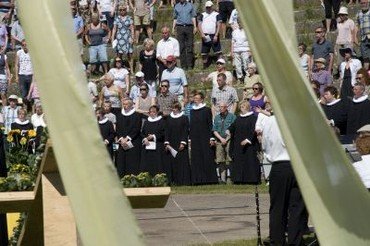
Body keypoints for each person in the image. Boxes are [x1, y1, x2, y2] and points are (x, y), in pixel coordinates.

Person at [255, 107, 307, 246]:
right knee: (297, 208)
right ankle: (295, 241)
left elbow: (264, 144)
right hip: (297, 166)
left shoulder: (270, 121)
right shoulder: (298, 119)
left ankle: (277, 241)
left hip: (279, 165)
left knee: (278, 208)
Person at [190, 91, 218, 184]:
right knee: (196, 158)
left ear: (202, 99)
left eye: (197, 99)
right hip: (195, 138)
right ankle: (198, 180)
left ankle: (209, 179)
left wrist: (212, 138)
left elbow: (210, 124)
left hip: (205, 137)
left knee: (207, 157)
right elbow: (192, 126)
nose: (196, 100)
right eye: (195, 98)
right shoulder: (192, 111)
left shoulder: (206, 110)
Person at [229, 101, 260, 184]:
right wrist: (228, 130)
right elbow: (233, 126)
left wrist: (247, 140)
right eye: (241, 106)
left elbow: (254, 130)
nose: (241, 108)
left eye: (243, 106)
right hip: (239, 143)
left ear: (248, 107)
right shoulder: (238, 118)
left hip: (250, 144)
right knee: (239, 161)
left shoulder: (253, 118)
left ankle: (251, 179)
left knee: (250, 161)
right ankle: (239, 179)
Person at [164, 102, 191, 185]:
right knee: (171, 162)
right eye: (173, 108)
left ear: (179, 108)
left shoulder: (184, 118)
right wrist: (167, 143)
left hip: (180, 143)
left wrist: (183, 142)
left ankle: (183, 181)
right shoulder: (168, 118)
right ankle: (173, 180)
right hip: (171, 142)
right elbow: (167, 131)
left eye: (175, 108)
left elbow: (185, 131)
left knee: (181, 161)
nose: (174, 109)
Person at [116, 98, 142, 177]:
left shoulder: (137, 115)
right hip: (122, 142)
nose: (125, 106)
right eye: (124, 104)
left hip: (133, 141)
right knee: (121, 160)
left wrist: (127, 138)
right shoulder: (119, 115)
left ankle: (133, 178)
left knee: (132, 161)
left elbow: (137, 128)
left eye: (126, 104)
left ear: (131, 105)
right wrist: (121, 138)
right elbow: (118, 128)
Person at [212, 101, 236, 183]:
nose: (220, 108)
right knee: (220, 160)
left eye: (222, 107)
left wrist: (226, 140)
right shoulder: (217, 117)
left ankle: (231, 177)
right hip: (219, 140)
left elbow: (233, 130)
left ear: (226, 107)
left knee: (230, 159)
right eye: (219, 107)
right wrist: (221, 139)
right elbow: (214, 130)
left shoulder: (232, 117)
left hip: (229, 140)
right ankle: (222, 179)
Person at [140, 105, 165, 176]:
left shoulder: (161, 121)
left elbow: (163, 133)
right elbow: (142, 133)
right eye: (150, 112)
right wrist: (145, 138)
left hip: (158, 146)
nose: (151, 113)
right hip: (147, 146)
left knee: (157, 163)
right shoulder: (146, 122)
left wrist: (153, 136)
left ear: (157, 112)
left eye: (153, 112)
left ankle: (158, 178)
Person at [172, 0, 197, 70]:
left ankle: (190, 65)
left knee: (190, 45)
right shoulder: (176, 6)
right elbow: (175, 18)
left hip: (189, 27)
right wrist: (173, 28)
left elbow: (193, 16)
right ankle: (183, 65)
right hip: (180, 27)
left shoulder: (190, 5)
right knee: (181, 46)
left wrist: (195, 26)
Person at [198, 1, 222, 69]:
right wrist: (202, 34)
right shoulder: (202, 15)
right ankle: (205, 65)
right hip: (206, 35)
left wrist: (216, 35)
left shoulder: (216, 14)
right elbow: (199, 24)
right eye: (207, 7)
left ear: (212, 7)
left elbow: (218, 25)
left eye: (209, 7)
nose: (208, 8)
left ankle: (220, 65)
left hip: (214, 34)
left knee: (218, 51)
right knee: (204, 52)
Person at [111, 5, 135, 72]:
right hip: (119, 38)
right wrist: (112, 38)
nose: (122, 11)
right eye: (120, 10)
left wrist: (132, 38)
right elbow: (114, 29)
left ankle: (132, 70)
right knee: (119, 55)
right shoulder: (117, 18)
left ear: (126, 10)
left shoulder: (129, 18)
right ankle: (119, 68)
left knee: (130, 54)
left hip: (128, 37)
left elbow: (132, 28)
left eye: (123, 10)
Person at [15, 40, 34, 107]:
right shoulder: (19, 52)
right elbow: (16, 65)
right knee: (23, 94)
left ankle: (31, 109)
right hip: (22, 75)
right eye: (23, 45)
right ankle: (25, 108)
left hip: (30, 75)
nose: (24, 46)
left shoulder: (32, 53)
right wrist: (17, 76)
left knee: (31, 94)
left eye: (26, 45)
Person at [231, 19, 250, 83]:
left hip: (245, 49)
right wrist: (232, 51)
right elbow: (233, 42)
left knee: (246, 64)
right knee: (237, 65)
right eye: (239, 22)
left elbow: (250, 41)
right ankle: (240, 78)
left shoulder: (247, 31)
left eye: (241, 22)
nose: (240, 23)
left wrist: (250, 51)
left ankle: (248, 77)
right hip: (236, 50)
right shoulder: (234, 32)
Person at [356, 0, 370, 70]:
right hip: (363, 38)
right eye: (362, 3)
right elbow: (358, 25)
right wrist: (356, 38)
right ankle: (366, 77)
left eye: (365, 3)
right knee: (365, 59)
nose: (363, 4)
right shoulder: (359, 13)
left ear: (368, 3)